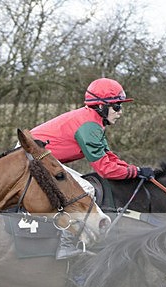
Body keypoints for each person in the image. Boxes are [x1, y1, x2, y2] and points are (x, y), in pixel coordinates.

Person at [30, 77, 155, 259]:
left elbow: (109, 158)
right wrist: (135, 172)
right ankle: (67, 244)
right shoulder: (89, 125)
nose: (120, 112)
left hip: (41, 157)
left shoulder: (94, 122)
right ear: (101, 106)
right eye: (117, 106)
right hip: (33, 157)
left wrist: (135, 169)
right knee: (85, 189)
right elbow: (106, 170)